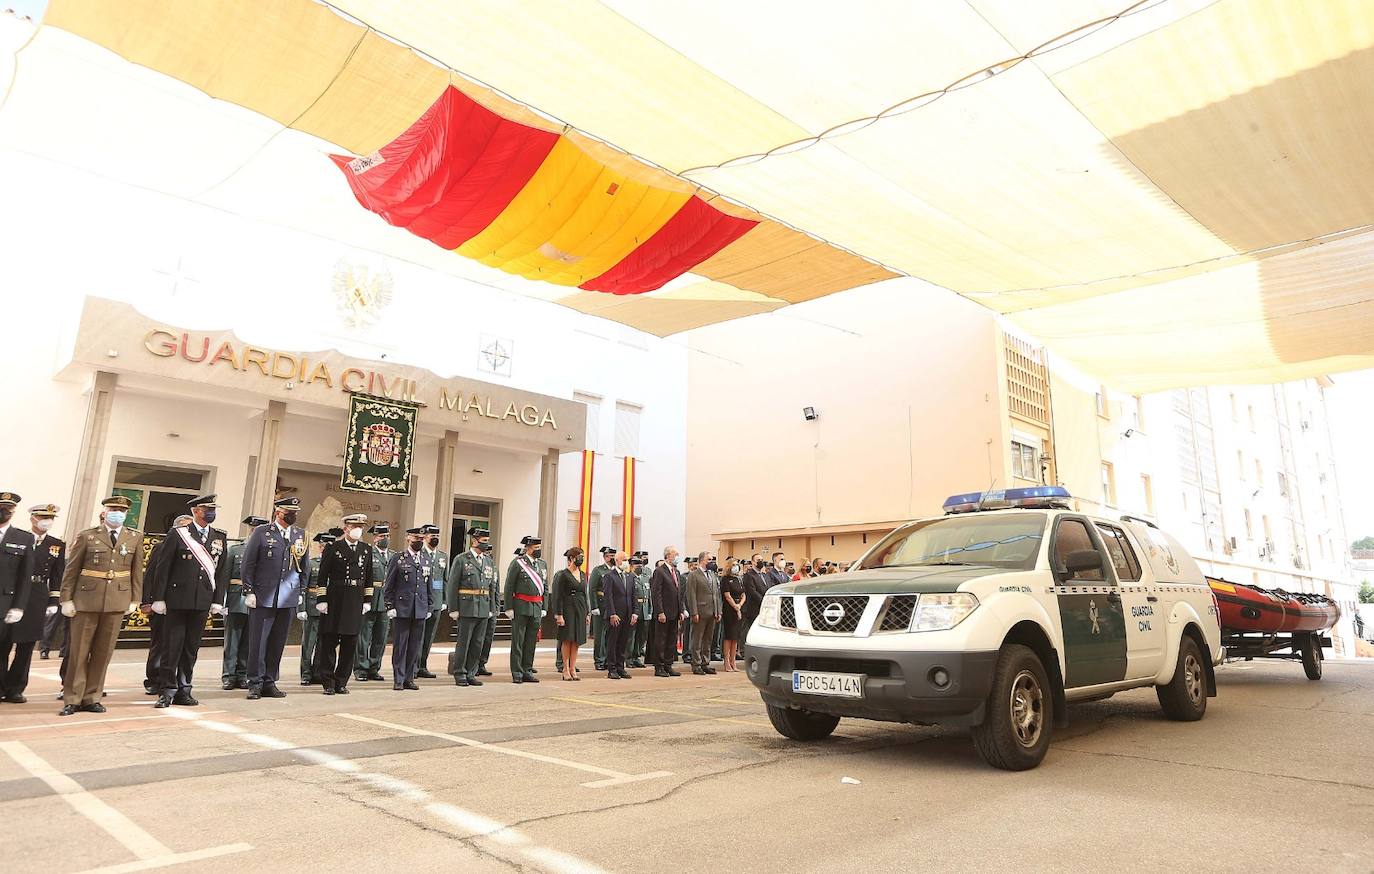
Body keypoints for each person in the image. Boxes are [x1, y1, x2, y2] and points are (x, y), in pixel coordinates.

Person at [58, 494, 142, 716]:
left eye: (122, 511)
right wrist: (66, 599)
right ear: (104, 512)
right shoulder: (87, 536)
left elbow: (136, 571)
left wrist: (135, 599)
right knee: (79, 652)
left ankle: (92, 696)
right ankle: (73, 698)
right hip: (86, 600)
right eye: (114, 509)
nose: (118, 513)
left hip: (116, 600)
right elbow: (71, 570)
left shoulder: (134, 537)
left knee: (103, 653)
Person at [146, 495, 230, 708]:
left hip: (202, 601)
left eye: (212, 509)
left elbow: (221, 573)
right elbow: (162, 569)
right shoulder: (179, 534)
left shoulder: (219, 537)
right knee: (171, 648)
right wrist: (159, 598)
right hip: (176, 600)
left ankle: (185, 689)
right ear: (195, 511)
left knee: (191, 649)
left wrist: (217, 600)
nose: (210, 512)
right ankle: (167, 690)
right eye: (206, 509)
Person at [240, 496, 306, 700]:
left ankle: (270, 681)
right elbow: (248, 563)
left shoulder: (299, 534)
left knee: (278, 642)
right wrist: (248, 590)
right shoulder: (262, 532)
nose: (293, 515)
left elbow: (304, 567)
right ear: (278, 512)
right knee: (258, 642)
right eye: (289, 511)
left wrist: (301, 590)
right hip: (264, 595)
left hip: (288, 597)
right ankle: (255, 682)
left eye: (295, 511)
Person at [313, 514, 372, 696]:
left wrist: (367, 600)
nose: (358, 530)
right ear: (346, 528)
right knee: (329, 642)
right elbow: (322, 576)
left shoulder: (366, 549)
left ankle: (341, 681)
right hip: (335, 597)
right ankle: (328, 682)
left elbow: (369, 577)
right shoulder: (333, 547)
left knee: (350, 644)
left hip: (355, 599)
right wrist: (322, 599)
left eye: (360, 526)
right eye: (355, 526)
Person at [141, 519, 187, 698]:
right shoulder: (161, 546)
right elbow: (151, 574)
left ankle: (171, 679)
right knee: (159, 643)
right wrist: (147, 601)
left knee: (177, 645)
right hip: (162, 603)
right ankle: (154, 679)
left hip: (181, 603)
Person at [445, 526, 495, 687]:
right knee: (464, 642)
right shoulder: (461, 559)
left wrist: (492, 608)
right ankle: (460, 672)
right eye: (483, 541)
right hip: (467, 606)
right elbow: (452, 585)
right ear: (474, 541)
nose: (486, 545)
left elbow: (491, 586)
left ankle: (471, 672)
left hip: (483, 607)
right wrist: (453, 608)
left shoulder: (488, 561)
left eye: (487, 541)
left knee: (477, 643)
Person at [220, 515, 265, 690]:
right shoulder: (236, 549)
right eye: (253, 528)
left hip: (258, 600)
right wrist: (222, 600)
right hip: (236, 598)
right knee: (232, 640)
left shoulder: (266, 551)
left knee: (249, 640)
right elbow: (225, 576)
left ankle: (242, 674)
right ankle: (228, 675)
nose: (255, 531)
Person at [383, 527, 431, 690]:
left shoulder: (425, 559)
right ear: (408, 539)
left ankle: (409, 678)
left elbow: (428, 585)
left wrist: (429, 605)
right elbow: (389, 585)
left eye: (421, 539)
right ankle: (398, 678)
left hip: (420, 608)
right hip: (402, 608)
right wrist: (390, 606)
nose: (418, 541)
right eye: (415, 538)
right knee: (401, 646)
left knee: (414, 646)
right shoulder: (398, 558)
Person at [0, 493, 36, 705]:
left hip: (4, 603)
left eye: (7, 508)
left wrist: (19, 607)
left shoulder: (23, 538)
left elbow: (25, 576)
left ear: (13, 512)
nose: (3, 512)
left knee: (2, 650)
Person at [504, 535, 545, 684]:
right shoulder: (518, 564)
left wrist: (544, 607)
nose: (538, 551)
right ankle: (517, 672)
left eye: (539, 548)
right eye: (536, 548)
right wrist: (508, 607)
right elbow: (509, 586)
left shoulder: (542, 565)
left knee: (530, 642)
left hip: (536, 607)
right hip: (521, 606)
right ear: (528, 548)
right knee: (518, 641)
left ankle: (527, 670)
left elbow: (544, 587)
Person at [356, 523, 394, 682]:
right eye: (380, 536)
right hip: (369, 599)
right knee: (364, 637)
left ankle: (374, 668)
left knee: (381, 638)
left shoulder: (393, 556)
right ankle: (361, 669)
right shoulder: (367, 554)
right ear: (375, 538)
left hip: (386, 602)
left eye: (386, 536)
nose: (384, 539)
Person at [297, 530, 335, 686]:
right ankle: (306, 674)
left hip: (329, 609)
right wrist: (302, 608)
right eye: (325, 546)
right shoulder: (312, 563)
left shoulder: (336, 565)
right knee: (309, 643)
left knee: (323, 644)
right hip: (312, 608)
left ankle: (318, 672)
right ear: (320, 547)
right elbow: (303, 587)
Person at [549, 546, 589, 681]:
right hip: (567, 609)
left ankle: (573, 668)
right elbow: (557, 596)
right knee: (567, 639)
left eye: (582, 557)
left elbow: (585, 594)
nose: (581, 559)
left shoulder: (583, 574)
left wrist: (587, 613)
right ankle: (565, 668)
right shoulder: (563, 575)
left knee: (577, 640)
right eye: (579, 557)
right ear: (571, 558)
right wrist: (558, 614)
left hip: (580, 608)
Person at [36, 506, 67, 665]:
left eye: (51, 518)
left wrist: (55, 599)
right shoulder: (24, 538)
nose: (47, 521)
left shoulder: (57, 545)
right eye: (43, 517)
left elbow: (57, 573)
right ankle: (44, 648)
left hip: (45, 590)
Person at [417, 523, 448, 679]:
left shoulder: (443, 556)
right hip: (421, 600)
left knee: (429, 636)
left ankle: (423, 665)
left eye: (437, 536)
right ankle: (414, 666)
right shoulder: (419, 554)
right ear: (425, 537)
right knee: (418, 635)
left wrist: (444, 599)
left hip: (436, 601)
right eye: (432, 536)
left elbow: (444, 580)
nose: (434, 538)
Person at [650, 546, 686, 677]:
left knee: (671, 640)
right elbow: (656, 593)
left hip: (675, 612)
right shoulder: (659, 571)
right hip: (664, 613)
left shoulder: (676, 572)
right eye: (675, 554)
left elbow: (679, 594)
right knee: (661, 640)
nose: (677, 557)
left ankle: (668, 665)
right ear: (668, 555)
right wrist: (660, 611)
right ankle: (659, 667)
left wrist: (681, 610)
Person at [602, 550, 637, 680]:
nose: (626, 562)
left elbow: (633, 595)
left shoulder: (629, 576)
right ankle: (612, 668)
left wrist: (635, 613)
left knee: (623, 642)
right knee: (613, 642)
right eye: (624, 559)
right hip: (615, 615)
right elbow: (608, 596)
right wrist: (612, 613)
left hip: (627, 614)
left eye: (627, 559)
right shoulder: (609, 576)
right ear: (617, 561)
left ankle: (620, 667)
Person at [685, 551, 721, 675]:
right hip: (700, 612)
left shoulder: (713, 575)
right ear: (702, 560)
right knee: (697, 639)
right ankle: (696, 664)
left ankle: (705, 663)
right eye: (709, 559)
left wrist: (718, 610)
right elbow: (691, 595)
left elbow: (717, 594)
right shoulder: (694, 575)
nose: (711, 562)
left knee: (708, 640)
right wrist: (694, 612)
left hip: (712, 612)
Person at [588, 546, 615, 671]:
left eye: (614, 556)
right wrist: (594, 606)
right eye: (610, 556)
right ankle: (599, 660)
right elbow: (592, 589)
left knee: (610, 635)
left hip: (613, 606)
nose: (612, 558)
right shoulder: (598, 570)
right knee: (600, 635)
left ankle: (608, 660)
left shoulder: (615, 571)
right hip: (601, 604)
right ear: (605, 557)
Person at [625, 553, 651, 668]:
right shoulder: (628, 577)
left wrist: (650, 610)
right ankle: (628, 658)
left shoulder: (645, 578)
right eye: (636, 566)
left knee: (641, 636)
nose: (639, 567)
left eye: (640, 565)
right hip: (634, 610)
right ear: (631, 566)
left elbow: (649, 595)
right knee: (631, 636)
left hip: (644, 609)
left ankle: (636, 657)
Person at [720, 558, 746, 672]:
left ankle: (733, 661)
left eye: (737, 565)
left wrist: (739, 605)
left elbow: (743, 594)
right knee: (729, 636)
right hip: (729, 610)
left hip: (738, 608)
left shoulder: (738, 579)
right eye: (734, 565)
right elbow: (727, 595)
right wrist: (735, 607)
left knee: (735, 637)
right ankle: (726, 662)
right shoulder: (725, 579)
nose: (736, 566)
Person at [740, 553, 768, 655]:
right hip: (753, 608)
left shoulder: (765, 575)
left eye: (761, 559)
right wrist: (764, 601)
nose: (760, 561)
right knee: (749, 630)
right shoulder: (749, 575)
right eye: (758, 560)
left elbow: (768, 588)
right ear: (753, 562)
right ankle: (745, 651)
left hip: (764, 609)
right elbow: (752, 591)